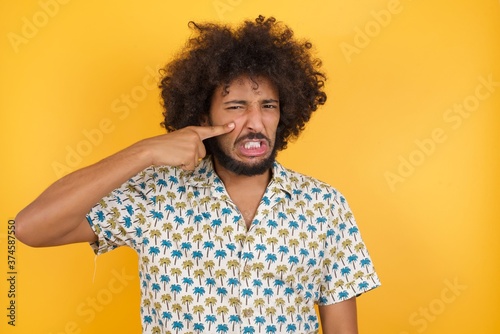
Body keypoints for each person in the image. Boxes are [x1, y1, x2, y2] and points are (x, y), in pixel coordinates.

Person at [16, 15, 380, 334]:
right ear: (203, 118)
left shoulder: (325, 206)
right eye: (236, 107)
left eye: (268, 106)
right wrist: (144, 152)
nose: (255, 123)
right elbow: (30, 227)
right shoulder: (156, 195)